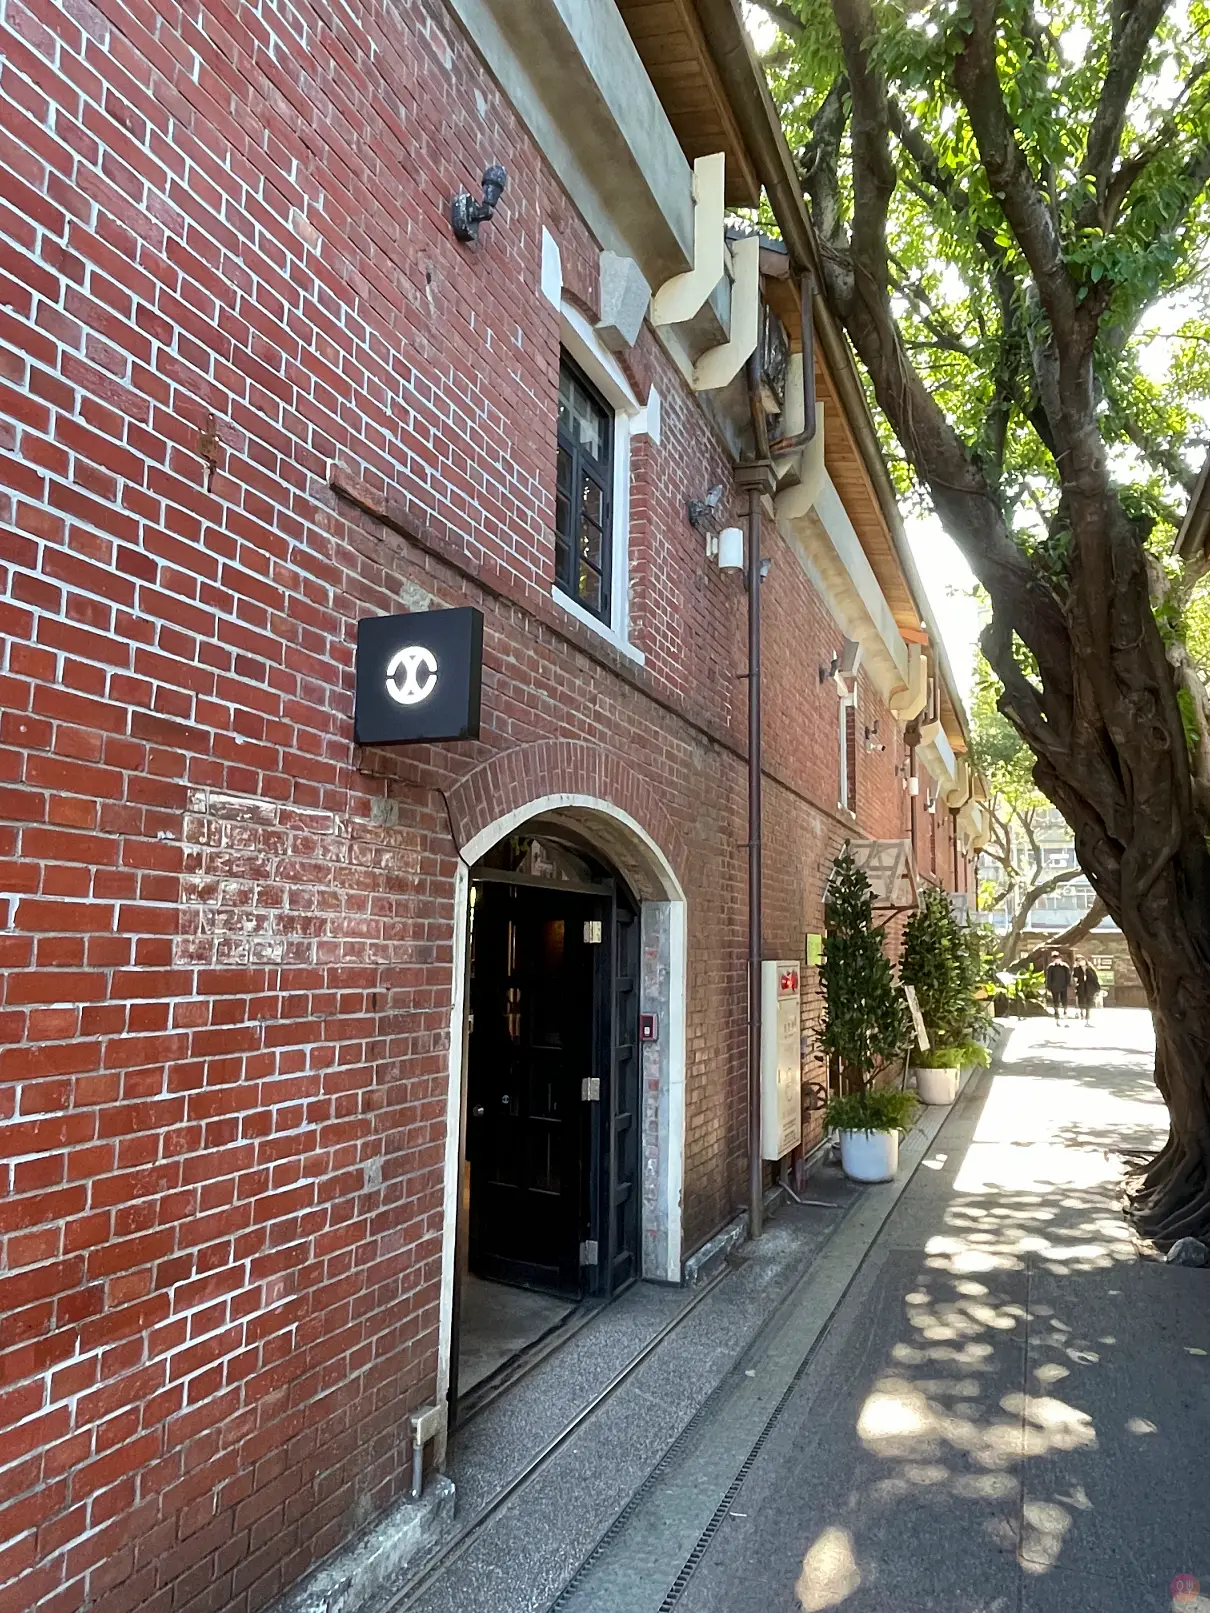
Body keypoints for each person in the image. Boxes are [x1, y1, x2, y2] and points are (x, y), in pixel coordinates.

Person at [1045, 952, 1072, 1018]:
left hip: (1063, 985)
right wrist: (1048, 985)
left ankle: (1065, 1010)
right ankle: (1056, 1011)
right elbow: (1049, 977)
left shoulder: (1065, 966)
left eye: (1057, 958)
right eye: (1055, 958)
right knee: (1055, 999)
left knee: (1064, 998)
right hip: (1054, 986)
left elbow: (1068, 975)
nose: (1056, 960)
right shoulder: (1051, 967)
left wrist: (1068, 983)